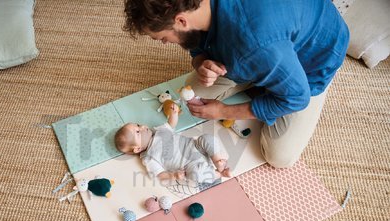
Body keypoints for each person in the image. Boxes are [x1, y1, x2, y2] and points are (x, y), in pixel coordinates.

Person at [123, 0, 349, 168]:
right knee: (193, 89)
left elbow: (296, 97)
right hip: (265, 47)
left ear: (181, 20)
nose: (164, 44)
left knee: (279, 156)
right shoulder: (198, 10)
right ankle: (259, 76)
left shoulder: (257, 44)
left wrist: (224, 110)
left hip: (313, 60)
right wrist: (201, 60)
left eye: (162, 38)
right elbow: (195, 41)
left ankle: (268, 79)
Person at [114, 103, 232, 184]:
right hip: (190, 165)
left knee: (206, 138)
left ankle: (217, 160)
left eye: (138, 124)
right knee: (195, 175)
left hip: (196, 146)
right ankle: (219, 174)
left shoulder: (159, 130)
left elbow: (171, 124)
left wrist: (174, 113)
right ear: (137, 149)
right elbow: (159, 175)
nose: (143, 126)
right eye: (138, 131)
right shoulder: (148, 158)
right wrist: (174, 176)